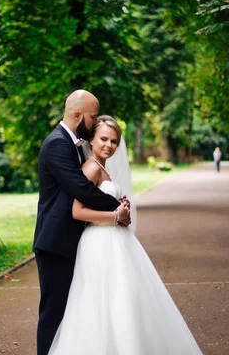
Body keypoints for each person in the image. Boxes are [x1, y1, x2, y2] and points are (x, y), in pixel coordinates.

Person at [48, 116, 203, 355]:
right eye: (103, 139)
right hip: (99, 243)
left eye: (114, 141)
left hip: (113, 241)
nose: (108, 145)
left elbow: (103, 204)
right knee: (104, 302)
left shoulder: (101, 168)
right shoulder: (90, 168)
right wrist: (115, 215)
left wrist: (120, 209)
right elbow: (77, 212)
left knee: (120, 301)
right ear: (92, 139)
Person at [34, 91, 131, 355]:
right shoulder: (57, 144)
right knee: (53, 314)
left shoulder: (72, 144)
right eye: (93, 116)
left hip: (68, 240)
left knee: (71, 311)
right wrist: (118, 210)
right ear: (78, 115)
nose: (95, 120)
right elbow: (81, 189)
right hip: (54, 242)